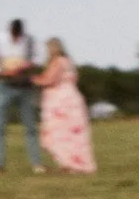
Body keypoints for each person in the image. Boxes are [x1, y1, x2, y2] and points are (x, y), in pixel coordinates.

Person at [0, 20, 44, 173]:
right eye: (14, 35)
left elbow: (38, 59)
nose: (17, 38)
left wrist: (27, 64)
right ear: (9, 30)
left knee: (30, 126)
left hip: (25, 87)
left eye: (19, 35)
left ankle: (36, 163)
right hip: (3, 85)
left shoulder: (30, 41)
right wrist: (3, 72)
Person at [34, 38, 97, 174]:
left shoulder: (57, 62)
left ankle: (69, 163)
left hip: (60, 102)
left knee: (58, 132)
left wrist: (32, 80)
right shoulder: (69, 62)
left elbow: (49, 79)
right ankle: (75, 163)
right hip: (73, 98)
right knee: (73, 134)